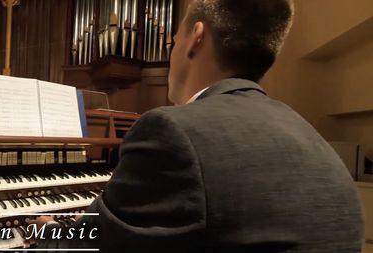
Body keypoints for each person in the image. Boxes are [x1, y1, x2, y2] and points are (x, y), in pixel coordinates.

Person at [30, 0, 364, 252]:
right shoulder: (316, 141)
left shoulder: (172, 130)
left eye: (173, 42)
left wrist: (49, 231)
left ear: (196, 38)